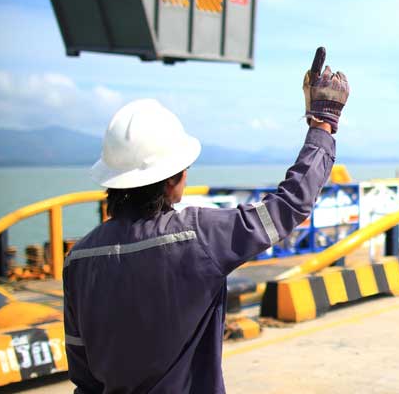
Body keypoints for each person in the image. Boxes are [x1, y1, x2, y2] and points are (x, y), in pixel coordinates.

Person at [63, 51, 349, 393]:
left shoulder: (78, 260)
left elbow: (83, 373)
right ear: (172, 179)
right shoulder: (197, 237)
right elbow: (288, 206)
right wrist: (322, 126)